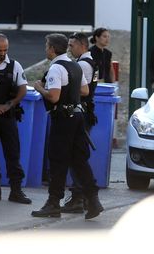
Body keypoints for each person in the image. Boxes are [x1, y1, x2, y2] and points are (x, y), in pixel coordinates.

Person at [32, 33, 103, 220]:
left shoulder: (57, 68)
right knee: (79, 160)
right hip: (78, 116)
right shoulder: (74, 65)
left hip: (63, 119)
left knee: (57, 161)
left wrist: (40, 88)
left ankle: (53, 203)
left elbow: (54, 96)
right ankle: (93, 200)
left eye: (47, 46)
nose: (46, 49)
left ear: (53, 48)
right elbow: (85, 90)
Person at [0, 34, 31, 205]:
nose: (2, 53)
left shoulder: (15, 65)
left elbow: (22, 89)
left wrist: (9, 105)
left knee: (13, 154)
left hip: (8, 117)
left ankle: (16, 190)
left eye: (5, 50)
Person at [62, 32, 99, 214]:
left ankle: (78, 197)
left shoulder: (83, 64)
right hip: (85, 112)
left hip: (81, 113)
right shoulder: (88, 62)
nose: (70, 49)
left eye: (72, 45)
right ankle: (82, 197)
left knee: (76, 156)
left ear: (82, 46)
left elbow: (81, 90)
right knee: (78, 156)